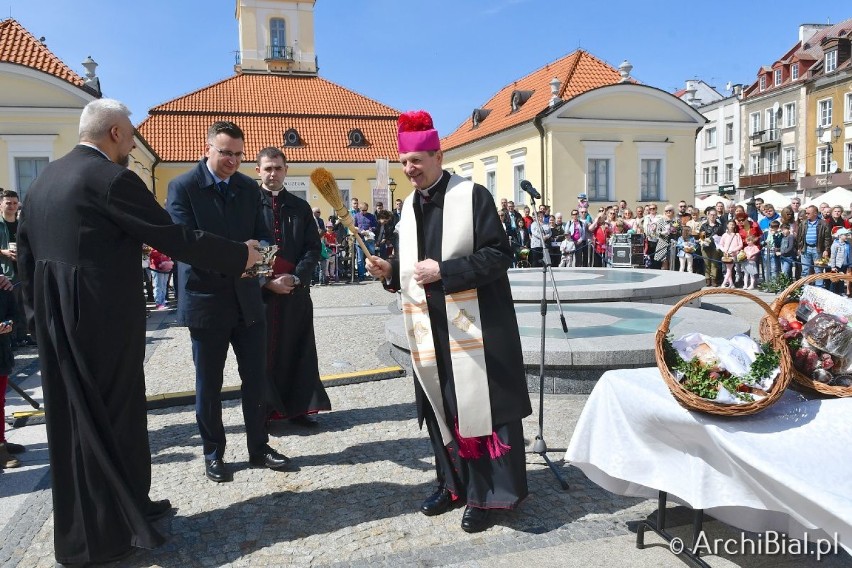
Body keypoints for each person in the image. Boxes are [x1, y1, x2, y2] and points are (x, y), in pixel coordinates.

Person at [18, 100, 262, 565]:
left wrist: (38, 320)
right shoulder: (111, 179)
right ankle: (104, 537)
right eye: (130, 134)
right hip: (100, 320)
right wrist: (239, 256)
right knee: (111, 418)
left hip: (58, 321)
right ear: (112, 133)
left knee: (80, 423)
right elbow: (172, 236)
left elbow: (27, 258)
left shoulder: (45, 179)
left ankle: (132, 508)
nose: (134, 142)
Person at [367, 110, 531, 534]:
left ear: (438, 155)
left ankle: (490, 495)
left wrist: (445, 271)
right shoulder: (409, 206)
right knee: (441, 404)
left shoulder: (472, 196)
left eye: (416, 161)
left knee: (481, 406)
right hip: (430, 326)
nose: (409, 170)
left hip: (477, 327)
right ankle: (452, 482)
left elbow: (498, 256)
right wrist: (391, 270)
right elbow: (413, 266)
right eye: (404, 162)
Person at [166, 121, 293, 484]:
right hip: (206, 300)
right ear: (207, 148)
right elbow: (187, 242)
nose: (233, 161)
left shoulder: (246, 188)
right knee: (209, 383)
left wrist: (262, 263)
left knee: (256, 378)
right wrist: (240, 255)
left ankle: (259, 446)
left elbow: (264, 235)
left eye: (238, 154)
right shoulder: (183, 187)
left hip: (247, 297)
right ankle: (213, 453)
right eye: (226, 153)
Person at [255, 147, 331, 427]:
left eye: (278, 168)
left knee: (298, 349)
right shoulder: (247, 205)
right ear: (258, 171)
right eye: (268, 168)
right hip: (261, 294)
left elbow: (313, 248)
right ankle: (263, 412)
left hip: (296, 293)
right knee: (260, 354)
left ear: (286, 170)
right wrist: (267, 281)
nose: (273, 173)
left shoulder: (299, 207)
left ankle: (299, 409)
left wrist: (296, 277)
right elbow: (243, 248)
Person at [0, 190, 32, 347]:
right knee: (10, 306)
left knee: (24, 304)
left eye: (14, 203)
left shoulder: (22, 223)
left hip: (23, 269)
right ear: (1, 205)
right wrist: (2, 252)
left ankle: (24, 336)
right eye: (8, 203)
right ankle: (11, 338)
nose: (12, 206)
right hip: (6, 272)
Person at [0, 274, 20, 469]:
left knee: (0, 400)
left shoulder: (3, 287)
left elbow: (15, 314)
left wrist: (9, 324)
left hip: (1, 352)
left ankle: (1, 441)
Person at [797, 205, 832, 282]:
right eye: (806, 213)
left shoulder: (823, 224)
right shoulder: (803, 223)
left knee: (818, 270)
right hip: (806, 249)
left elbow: (828, 239)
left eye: (808, 213)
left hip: (818, 249)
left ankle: (819, 288)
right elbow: (799, 237)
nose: (806, 215)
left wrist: (826, 250)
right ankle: (804, 289)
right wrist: (799, 248)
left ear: (815, 213)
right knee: (805, 270)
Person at [698, 207, 724, 287]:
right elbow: (701, 236)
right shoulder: (704, 225)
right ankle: (707, 279)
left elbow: (721, 237)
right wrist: (704, 240)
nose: (713, 216)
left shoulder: (719, 226)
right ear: (708, 215)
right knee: (706, 263)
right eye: (711, 215)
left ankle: (713, 279)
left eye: (714, 215)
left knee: (714, 264)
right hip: (706, 247)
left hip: (715, 247)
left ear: (716, 216)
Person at [353, 201, 378, 280]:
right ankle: (361, 275)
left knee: (372, 257)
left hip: (369, 239)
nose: (364, 212)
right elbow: (354, 227)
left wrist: (370, 229)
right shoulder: (356, 216)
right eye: (362, 210)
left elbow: (375, 226)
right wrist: (360, 230)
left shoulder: (371, 216)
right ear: (360, 209)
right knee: (360, 259)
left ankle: (373, 274)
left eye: (365, 210)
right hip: (360, 239)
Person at [719, 220, 743, 288]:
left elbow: (740, 245)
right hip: (726, 254)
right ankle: (731, 283)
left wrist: (733, 250)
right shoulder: (724, 235)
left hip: (734, 254)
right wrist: (724, 250)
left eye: (733, 224)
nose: (731, 226)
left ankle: (725, 283)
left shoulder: (737, 235)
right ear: (727, 225)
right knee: (729, 269)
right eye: (730, 224)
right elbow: (721, 244)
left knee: (729, 269)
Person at [829, 228, 852, 295]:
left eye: (847, 235)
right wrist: (833, 266)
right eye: (845, 235)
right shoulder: (835, 245)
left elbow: (850, 255)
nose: (846, 236)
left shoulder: (848, 245)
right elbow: (833, 256)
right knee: (835, 279)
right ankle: (832, 292)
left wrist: (850, 264)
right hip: (837, 265)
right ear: (840, 236)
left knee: (842, 279)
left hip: (844, 264)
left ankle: (841, 292)